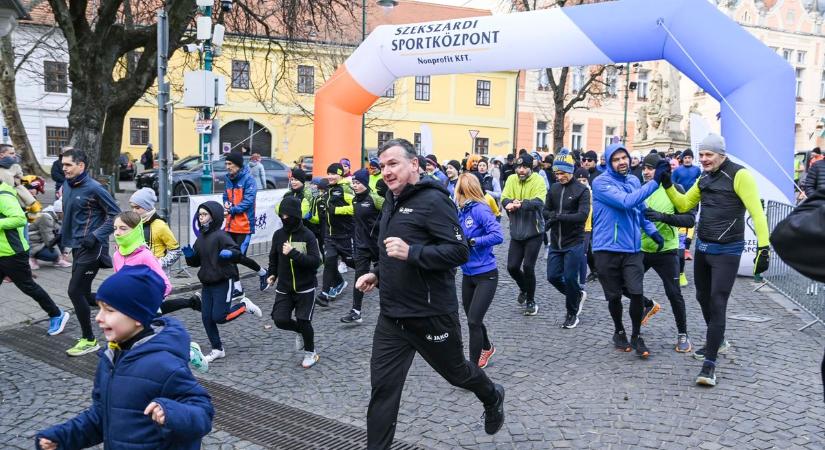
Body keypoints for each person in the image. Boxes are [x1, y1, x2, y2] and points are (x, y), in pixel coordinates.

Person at [355, 139, 504, 449]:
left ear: (415, 165)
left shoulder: (434, 201)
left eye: (393, 163)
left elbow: (458, 251)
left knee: (459, 374)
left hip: (430, 315)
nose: (386, 171)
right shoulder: (391, 202)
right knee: (383, 391)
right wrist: (377, 275)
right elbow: (390, 252)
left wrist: (413, 252)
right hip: (392, 318)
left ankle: (491, 395)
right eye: (382, 166)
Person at [35, 265, 214, 450]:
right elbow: (102, 417)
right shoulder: (110, 358)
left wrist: (171, 413)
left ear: (137, 317)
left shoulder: (163, 364)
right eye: (99, 308)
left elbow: (203, 413)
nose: (98, 317)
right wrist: (62, 438)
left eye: (109, 310)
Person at [662, 133, 770, 387]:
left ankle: (709, 365)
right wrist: (667, 184)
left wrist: (763, 248)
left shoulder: (740, 175)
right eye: (701, 155)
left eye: (708, 155)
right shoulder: (704, 177)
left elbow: (757, 211)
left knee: (717, 301)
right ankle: (717, 340)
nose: (704, 159)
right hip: (703, 248)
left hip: (727, 251)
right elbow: (684, 203)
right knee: (701, 296)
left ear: (721, 154)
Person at [592, 143, 668, 359]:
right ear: (608, 163)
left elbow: (640, 208)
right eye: (616, 159)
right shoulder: (601, 183)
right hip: (606, 248)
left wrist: (652, 231)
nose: (622, 162)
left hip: (633, 249)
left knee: (636, 293)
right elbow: (626, 202)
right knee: (614, 296)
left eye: (624, 157)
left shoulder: (634, 181)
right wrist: (654, 183)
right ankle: (619, 331)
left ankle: (636, 335)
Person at [183, 201, 263, 364]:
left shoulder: (221, 236)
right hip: (207, 283)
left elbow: (236, 252)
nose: (201, 217)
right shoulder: (200, 239)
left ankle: (243, 306)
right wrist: (190, 255)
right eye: (199, 215)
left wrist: (230, 253)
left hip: (223, 281)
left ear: (214, 216)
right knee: (207, 318)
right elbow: (195, 263)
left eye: (204, 214)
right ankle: (217, 349)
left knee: (219, 316)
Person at [61, 148, 121, 356]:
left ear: (81, 166)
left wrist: (96, 236)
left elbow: (115, 214)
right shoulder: (66, 186)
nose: (64, 168)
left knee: (74, 291)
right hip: (77, 246)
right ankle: (121, 304)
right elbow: (69, 216)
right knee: (84, 295)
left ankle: (89, 339)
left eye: (68, 164)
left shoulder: (95, 188)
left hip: (93, 248)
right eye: (63, 164)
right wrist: (60, 239)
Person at [635, 153, 695, 352]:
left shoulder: (674, 189)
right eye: (644, 167)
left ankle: (682, 334)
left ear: (660, 170)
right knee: (627, 286)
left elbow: (689, 220)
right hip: (641, 249)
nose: (646, 171)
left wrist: (663, 217)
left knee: (674, 293)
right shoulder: (640, 188)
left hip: (667, 250)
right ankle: (646, 308)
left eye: (650, 168)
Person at [0, 176, 70, 336]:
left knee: (28, 286)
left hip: (12, 253)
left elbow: (19, 219)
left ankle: (57, 314)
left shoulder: (3, 196)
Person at [265, 197, 322, 368]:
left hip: (305, 287)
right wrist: (272, 274)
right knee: (279, 319)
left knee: (304, 320)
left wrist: (293, 253)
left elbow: (315, 261)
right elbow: (273, 257)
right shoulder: (279, 235)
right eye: (281, 214)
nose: (284, 218)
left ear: (296, 215)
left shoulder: (308, 235)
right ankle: (300, 331)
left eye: (287, 215)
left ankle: (311, 353)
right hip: (284, 287)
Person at [455, 173, 503, 367]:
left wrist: (474, 241)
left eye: (457, 191)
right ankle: (487, 347)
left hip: (486, 275)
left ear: (465, 191)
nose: (455, 195)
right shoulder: (461, 212)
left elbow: (498, 235)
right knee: (472, 318)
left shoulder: (480, 210)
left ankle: (472, 370)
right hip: (468, 275)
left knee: (474, 321)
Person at [544, 150, 590, 329]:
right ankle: (577, 294)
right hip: (556, 242)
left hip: (574, 242)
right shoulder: (554, 189)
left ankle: (572, 313)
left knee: (570, 277)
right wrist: (554, 216)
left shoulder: (582, 190)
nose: (560, 176)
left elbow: (582, 215)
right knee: (553, 277)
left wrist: (560, 217)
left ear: (571, 171)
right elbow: (546, 211)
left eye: (563, 173)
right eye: (557, 173)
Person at [501, 153, 547, 316]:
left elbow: (539, 202)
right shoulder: (512, 179)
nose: (521, 170)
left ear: (531, 168)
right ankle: (524, 288)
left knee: (528, 266)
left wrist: (520, 204)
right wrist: (508, 204)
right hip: (517, 232)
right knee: (512, 267)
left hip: (534, 231)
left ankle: (531, 301)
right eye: (519, 167)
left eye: (524, 167)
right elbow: (504, 197)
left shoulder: (538, 180)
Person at [222, 151, 268, 298]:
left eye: (230, 164)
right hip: (230, 225)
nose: (227, 167)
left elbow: (248, 201)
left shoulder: (249, 180)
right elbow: (225, 195)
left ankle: (263, 272)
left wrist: (232, 210)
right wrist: (226, 204)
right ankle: (238, 288)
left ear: (238, 165)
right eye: (226, 164)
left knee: (237, 256)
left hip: (244, 225)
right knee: (228, 256)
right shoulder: (228, 178)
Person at [341, 169, 383, 324]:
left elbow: (390, 213)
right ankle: (356, 311)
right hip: (362, 246)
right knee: (360, 277)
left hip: (377, 245)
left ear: (365, 183)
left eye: (358, 183)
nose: (355, 185)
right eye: (353, 183)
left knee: (382, 277)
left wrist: (379, 226)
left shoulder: (375, 198)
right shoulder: (354, 200)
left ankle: (398, 301)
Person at [316, 163, 355, 306]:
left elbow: (355, 207)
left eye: (334, 174)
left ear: (340, 175)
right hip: (330, 235)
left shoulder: (345, 188)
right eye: (329, 174)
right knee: (329, 261)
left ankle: (378, 277)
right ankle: (324, 294)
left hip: (345, 235)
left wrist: (337, 210)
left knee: (353, 263)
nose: (331, 177)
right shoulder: (328, 189)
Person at [573, 168, 595, 284]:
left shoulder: (590, 193)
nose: (582, 182)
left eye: (584, 180)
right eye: (579, 180)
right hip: (574, 227)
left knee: (583, 253)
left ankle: (581, 282)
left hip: (586, 228)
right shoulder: (572, 192)